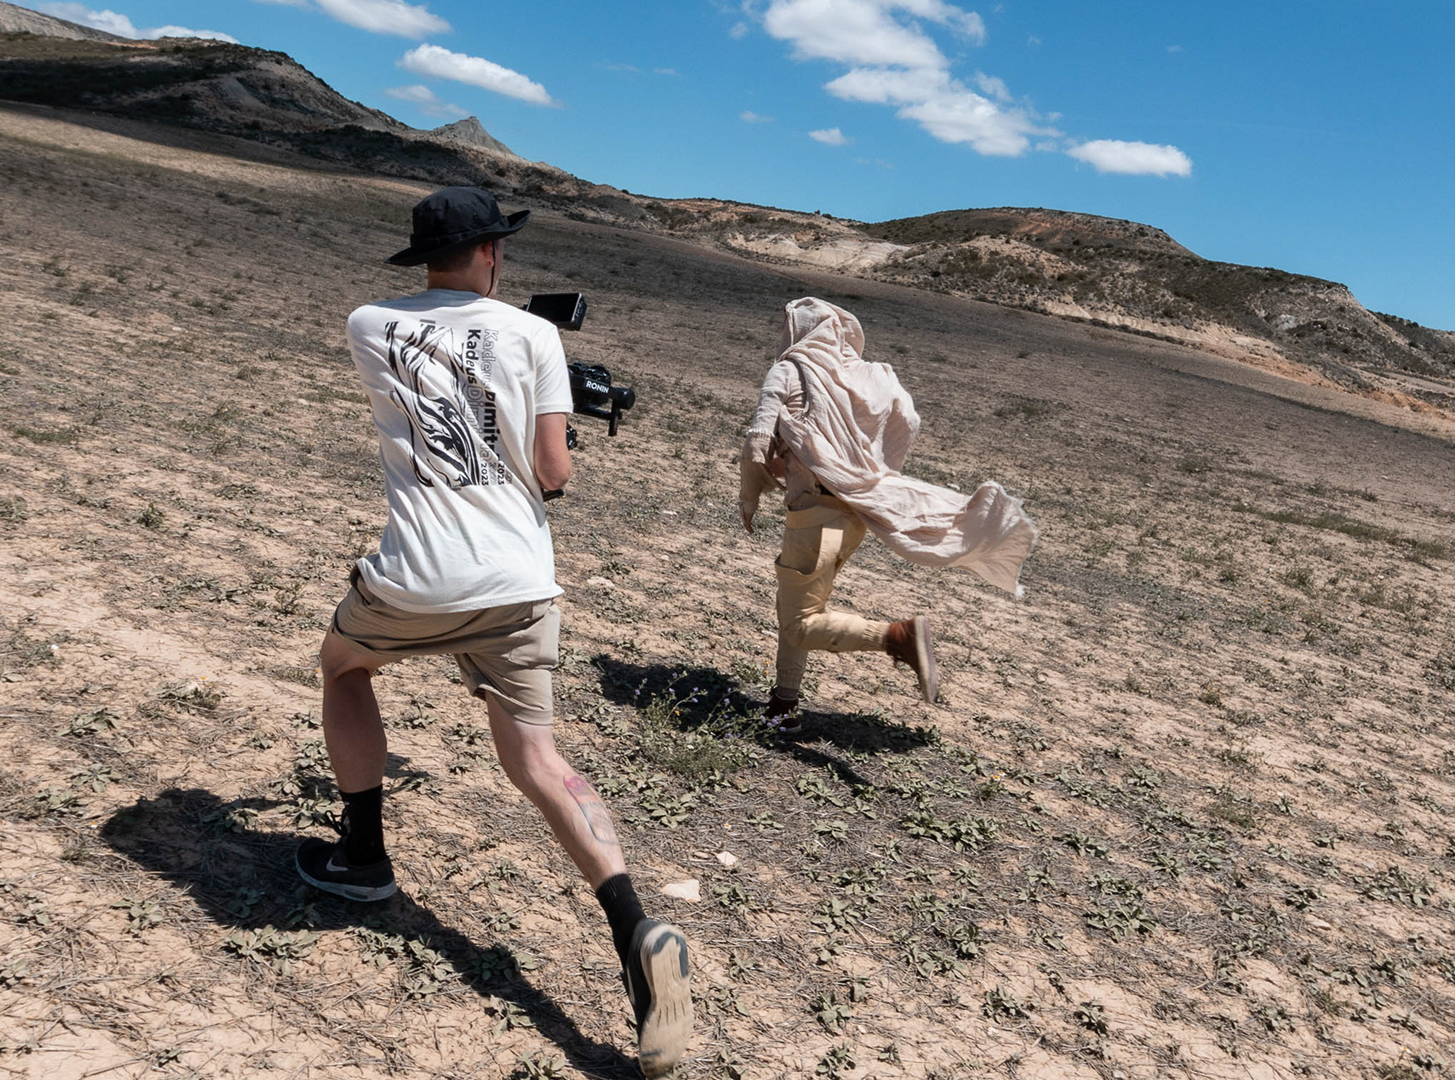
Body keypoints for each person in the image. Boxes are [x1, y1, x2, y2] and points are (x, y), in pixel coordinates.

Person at [294, 187, 691, 1077]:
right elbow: (551, 474)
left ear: (424, 256)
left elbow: (440, 377)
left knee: (344, 670)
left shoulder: (369, 324)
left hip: (419, 575)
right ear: (495, 254)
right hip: (519, 581)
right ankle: (635, 927)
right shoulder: (537, 337)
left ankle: (363, 857)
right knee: (537, 762)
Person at [740, 296, 1039, 730]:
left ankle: (899, 637)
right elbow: (907, 419)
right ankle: (783, 705)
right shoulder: (865, 377)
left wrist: (750, 494)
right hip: (856, 514)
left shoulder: (790, 369)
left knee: (800, 623)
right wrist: (868, 469)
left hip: (813, 516)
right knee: (800, 607)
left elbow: (756, 439)